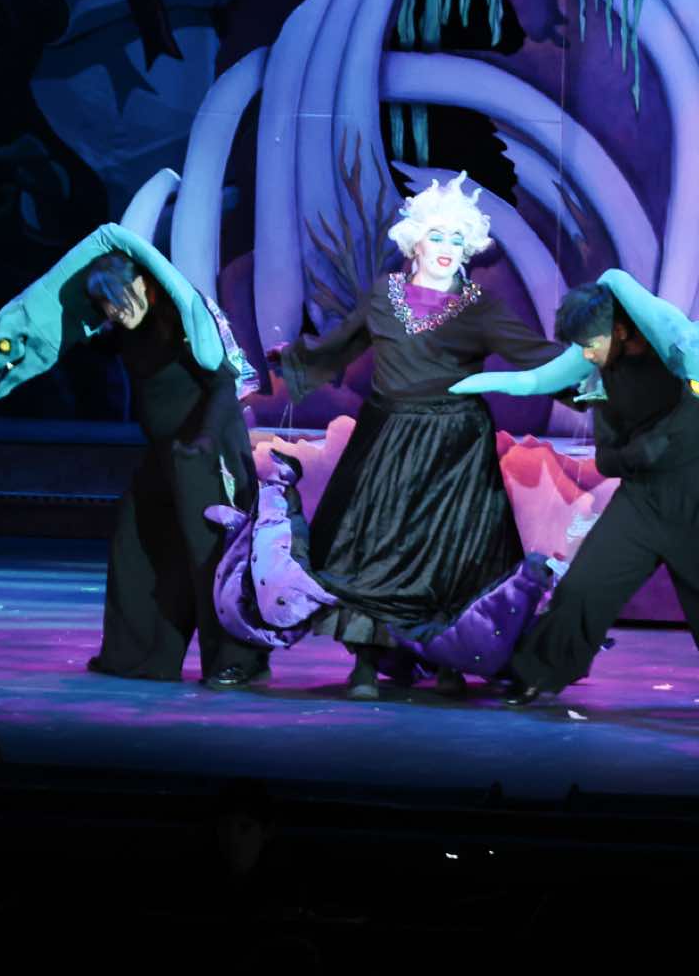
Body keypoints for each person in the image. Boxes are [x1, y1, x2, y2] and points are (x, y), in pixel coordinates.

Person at [271, 173, 564, 700]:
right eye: (437, 236)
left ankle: (450, 660)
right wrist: (294, 360)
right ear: (416, 243)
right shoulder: (384, 297)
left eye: (457, 239)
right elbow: (340, 344)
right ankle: (366, 665)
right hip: (387, 442)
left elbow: (534, 356)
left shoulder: (480, 306)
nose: (447, 248)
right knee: (370, 549)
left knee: (456, 557)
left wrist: (590, 367)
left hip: (456, 451)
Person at [496, 280, 699, 718]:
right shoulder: (605, 375)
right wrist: (640, 452)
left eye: (591, 343)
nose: (586, 354)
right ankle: (533, 676)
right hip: (642, 501)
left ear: (618, 330)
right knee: (583, 588)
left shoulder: (682, 349)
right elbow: (608, 459)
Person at [80, 249, 272, 690]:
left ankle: (239, 662)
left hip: (205, 450)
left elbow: (223, 383)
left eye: (118, 297)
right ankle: (140, 656)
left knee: (213, 557)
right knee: (137, 545)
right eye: (105, 303)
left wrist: (204, 438)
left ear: (144, 285)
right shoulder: (124, 330)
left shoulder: (184, 320)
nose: (114, 310)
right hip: (165, 453)